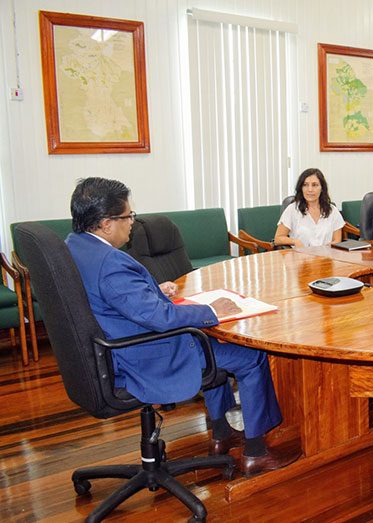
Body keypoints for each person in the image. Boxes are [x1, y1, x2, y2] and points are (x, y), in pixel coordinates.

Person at [65, 177, 300, 477]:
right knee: (250, 357)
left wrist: (149, 293)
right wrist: (211, 310)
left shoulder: (76, 246)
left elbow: (115, 299)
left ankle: (221, 434)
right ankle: (256, 453)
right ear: (107, 224)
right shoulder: (111, 263)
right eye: (128, 216)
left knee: (213, 346)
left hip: (117, 345)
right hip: (145, 355)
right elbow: (160, 319)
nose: (132, 223)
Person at [275, 168, 345, 248]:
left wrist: (328, 248)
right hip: (301, 257)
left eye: (315, 185)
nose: (310, 190)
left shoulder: (332, 210)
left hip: (326, 258)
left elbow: (337, 240)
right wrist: (295, 241)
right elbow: (278, 238)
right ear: (301, 188)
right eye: (305, 185)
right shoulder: (292, 209)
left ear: (322, 188)